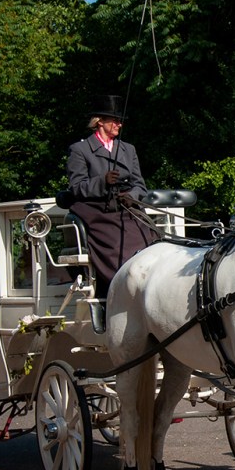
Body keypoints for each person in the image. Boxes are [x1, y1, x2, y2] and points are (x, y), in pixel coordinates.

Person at [65, 95, 157, 326]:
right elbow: (76, 188)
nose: (119, 124)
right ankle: (121, 293)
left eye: (120, 121)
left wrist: (131, 196)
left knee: (152, 235)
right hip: (97, 210)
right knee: (118, 244)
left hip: (126, 207)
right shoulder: (81, 150)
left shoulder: (128, 149)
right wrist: (102, 182)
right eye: (114, 120)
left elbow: (139, 185)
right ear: (100, 122)